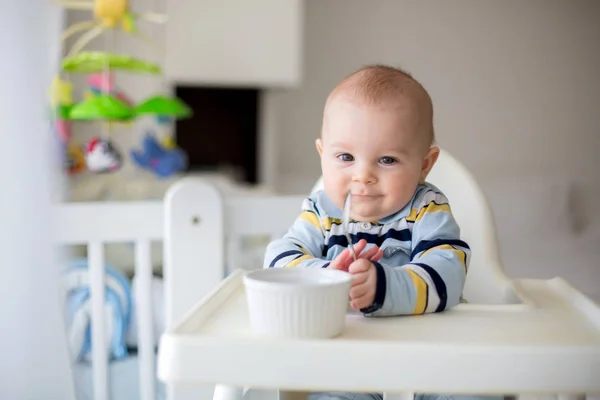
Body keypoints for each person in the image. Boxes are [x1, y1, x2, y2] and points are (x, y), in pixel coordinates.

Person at [263, 64, 502, 400]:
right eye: (345, 156)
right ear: (322, 156)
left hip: (432, 352)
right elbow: (279, 259)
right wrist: (326, 277)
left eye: (387, 160)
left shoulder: (427, 209)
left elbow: (449, 269)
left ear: (424, 165)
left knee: (470, 391)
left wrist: (384, 287)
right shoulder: (320, 212)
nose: (363, 175)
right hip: (347, 357)